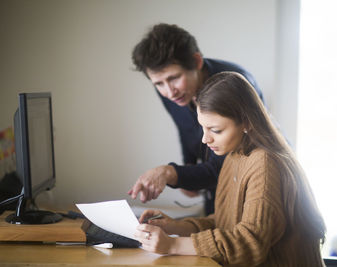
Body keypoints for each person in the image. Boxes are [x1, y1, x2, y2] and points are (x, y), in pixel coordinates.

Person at [134, 72, 326, 266]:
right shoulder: (235, 155)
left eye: (215, 130)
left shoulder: (266, 165)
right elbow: (225, 222)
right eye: (203, 128)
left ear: (246, 122)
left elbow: (249, 243)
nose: (205, 139)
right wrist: (176, 226)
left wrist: (173, 245)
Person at [128, 23, 264, 215]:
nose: (169, 91)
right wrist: (188, 166)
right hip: (212, 194)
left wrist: (171, 173)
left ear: (197, 61)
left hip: (250, 193)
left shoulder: (236, 85)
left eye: (174, 78)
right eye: (158, 83)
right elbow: (185, 128)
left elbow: (225, 166)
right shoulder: (171, 91)